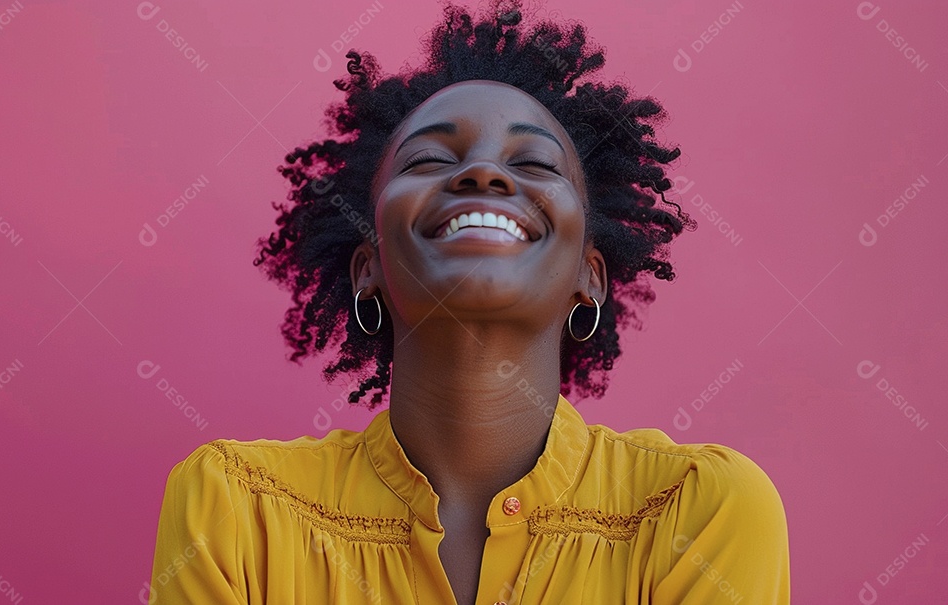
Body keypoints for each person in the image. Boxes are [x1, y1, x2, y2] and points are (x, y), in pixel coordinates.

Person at [147, 3, 789, 603]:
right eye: (427, 158)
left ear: (589, 278)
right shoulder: (234, 512)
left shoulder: (700, 513)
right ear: (366, 268)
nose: (483, 175)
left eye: (535, 164)